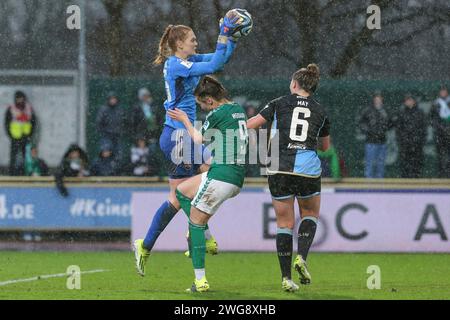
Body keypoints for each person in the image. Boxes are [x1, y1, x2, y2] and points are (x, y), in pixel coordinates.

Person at [133, 18, 243, 277]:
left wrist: (232, 38)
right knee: (184, 192)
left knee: (205, 178)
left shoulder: (187, 61)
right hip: (177, 137)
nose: (195, 42)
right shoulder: (175, 65)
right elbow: (215, 63)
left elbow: (220, 59)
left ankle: (160, 241)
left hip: (184, 135)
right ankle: (194, 234)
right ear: (180, 44)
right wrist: (224, 32)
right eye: (192, 39)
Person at [247, 64, 330, 292]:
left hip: (279, 166)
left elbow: (252, 125)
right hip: (306, 168)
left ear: (294, 84)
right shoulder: (320, 110)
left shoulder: (278, 102)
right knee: (310, 214)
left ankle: (286, 278)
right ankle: (301, 257)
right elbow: (325, 146)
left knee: (284, 224)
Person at [168, 76, 248, 292]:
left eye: (201, 104)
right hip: (235, 175)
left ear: (210, 101)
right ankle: (208, 238)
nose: (202, 108)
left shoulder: (216, 113)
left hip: (222, 175)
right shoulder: (237, 108)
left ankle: (200, 280)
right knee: (182, 192)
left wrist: (185, 120)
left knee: (194, 223)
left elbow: (198, 138)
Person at [358, 92, 392, 178]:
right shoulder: (368, 110)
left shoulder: (385, 110)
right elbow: (361, 123)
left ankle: (380, 184)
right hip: (371, 142)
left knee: (380, 165)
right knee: (369, 163)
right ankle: (368, 183)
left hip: (382, 141)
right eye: (376, 99)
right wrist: (369, 131)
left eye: (380, 99)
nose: (378, 101)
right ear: (373, 100)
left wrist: (384, 129)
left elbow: (391, 123)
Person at [392, 94, 426, 178]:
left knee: (416, 163)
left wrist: (419, 139)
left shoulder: (420, 112)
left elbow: (423, 128)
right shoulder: (401, 113)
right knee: (404, 163)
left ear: (414, 101)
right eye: (407, 100)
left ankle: (415, 179)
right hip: (405, 144)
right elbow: (398, 129)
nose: (409, 102)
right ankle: (405, 181)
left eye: (410, 100)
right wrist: (402, 140)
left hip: (417, 144)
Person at [4, 91, 37, 176]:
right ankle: (12, 174)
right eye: (18, 98)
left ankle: (25, 174)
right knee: (14, 157)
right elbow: (7, 123)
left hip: (26, 136)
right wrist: (11, 135)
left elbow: (33, 122)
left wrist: (30, 134)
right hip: (15, 136)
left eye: (21, 98)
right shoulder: (11, 108)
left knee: (26, 156)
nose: (20, 100)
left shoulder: (29, 108)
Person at [96, 91, 126, 169]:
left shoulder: (120, 110)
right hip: (106, 135)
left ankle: (116, 170)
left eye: (114, 99)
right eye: (111, 99)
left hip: (117, 136)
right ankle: (105, 170)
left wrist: (121, 131)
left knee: (119, 154)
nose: (113, 100)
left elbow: (124, 122)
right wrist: (104, 131)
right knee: (106, 152)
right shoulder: (104, 109)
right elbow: (99, 122)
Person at [430, 85, 450, 178]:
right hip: (440, 135)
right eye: (441, 91)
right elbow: (431, 118)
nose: (442, 93)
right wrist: (438, 127)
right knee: (440, 157)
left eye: (444, 91)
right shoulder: (436, 103)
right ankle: (441, 176)